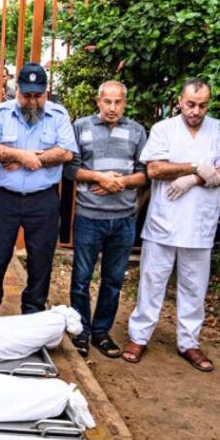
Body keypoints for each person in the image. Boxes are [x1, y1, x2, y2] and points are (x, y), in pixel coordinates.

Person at [123, 78, 220, 372]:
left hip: (200, 224)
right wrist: (194, 166)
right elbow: (154, 168)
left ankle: (189, 342)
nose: (196, 111)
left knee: (194, 287)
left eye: (202, 105)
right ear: (180, 101)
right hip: (165, 222)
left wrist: (196, 179)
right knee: (152, 283)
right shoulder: (164, 129)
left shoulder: (219, 130)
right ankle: (139, 337)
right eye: (191, 104)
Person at [0, 62, 77, 319]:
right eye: (26, 95)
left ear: (46, 91)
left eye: (37, 95)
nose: (31, 101)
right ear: (16, 89)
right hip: (4, 198)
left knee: (41, 257)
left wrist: (25, 159)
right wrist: (22, 153)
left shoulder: (58, 115)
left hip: (42, 200)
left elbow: (65, 152)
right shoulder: (0, 113)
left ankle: (32, 311)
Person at [64, 81, 148, 358]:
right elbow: (70, 169)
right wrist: (98, 177)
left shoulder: (137, 131)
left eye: (118, 102)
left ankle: (101, 331)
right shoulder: (81, 127)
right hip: (89, 216)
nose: (112, 108)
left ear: (125, 102)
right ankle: (80, 332)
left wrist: (120, 182)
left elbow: (145, 173)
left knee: (113, 280)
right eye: (107, 101)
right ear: (98, 100)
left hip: (123, 220)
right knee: (81, 278)